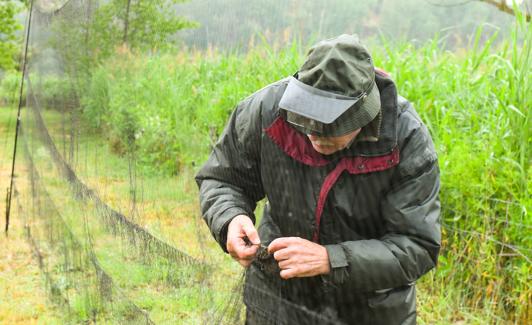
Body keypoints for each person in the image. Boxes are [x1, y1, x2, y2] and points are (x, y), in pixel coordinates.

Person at [196, 34, 441, 325]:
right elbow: (223, 178)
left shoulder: (407, 139)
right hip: (277, 296)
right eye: (306, 119)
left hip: (368, 308)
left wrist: (330, 259)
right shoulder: (266, 110)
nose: (315, 133)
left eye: (331, 126)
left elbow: (417, 246)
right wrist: (230, 219)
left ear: (363, 115)